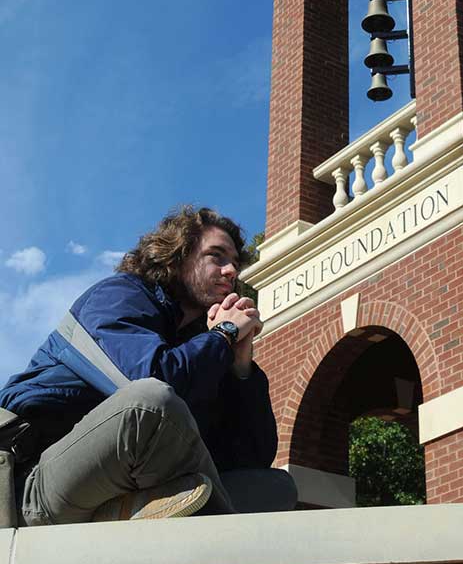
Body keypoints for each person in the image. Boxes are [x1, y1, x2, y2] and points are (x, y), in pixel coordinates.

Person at [0, 205, 296, 524]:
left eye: (235, 263)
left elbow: (251, 457)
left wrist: (241, 368)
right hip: (29, 484)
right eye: (217, 256)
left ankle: (136, 514)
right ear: (176, 257)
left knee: (273, 488)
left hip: (123, 485)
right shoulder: (115, 297)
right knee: (150, 404)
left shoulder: (202, 349)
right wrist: (223, 334)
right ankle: (218, 556)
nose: (231, 272)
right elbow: (154, 383)